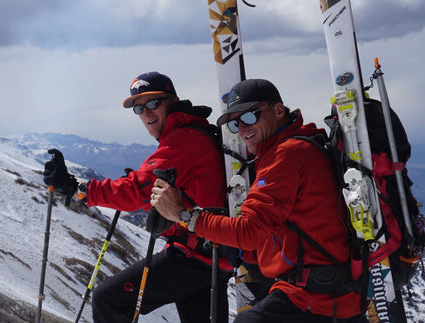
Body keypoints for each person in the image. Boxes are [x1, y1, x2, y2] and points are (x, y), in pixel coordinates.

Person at [150, 79, 362, 322]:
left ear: (278, 110)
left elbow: (250, 230)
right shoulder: (299, 145)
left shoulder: (286, 156)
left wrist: (184, 215)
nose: (241, 128)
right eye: (234, 123)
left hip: (314, 297)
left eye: (249, 117)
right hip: (328, 292)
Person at [43, 71, 234, 323]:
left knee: (108, 299)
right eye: (139, 109)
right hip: (211, 255)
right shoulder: (189, 133)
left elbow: (137, 191)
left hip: (193, 257)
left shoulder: (183, 141)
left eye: (153, 103)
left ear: (172, 101)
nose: (146, 113)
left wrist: (77, 188)